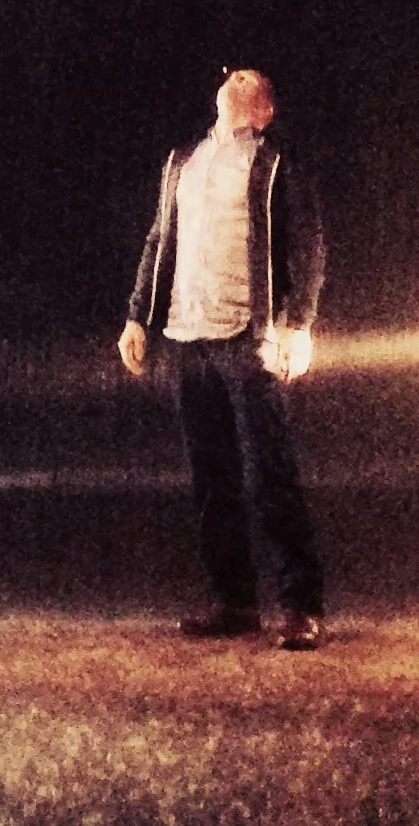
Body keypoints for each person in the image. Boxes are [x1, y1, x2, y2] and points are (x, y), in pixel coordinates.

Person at [118, 66, 327, 648]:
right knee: (212, 478)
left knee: (269, 472)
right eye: (234, 76)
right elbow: (160, 239)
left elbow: (308, 246)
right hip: (187, 335)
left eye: (251, 81)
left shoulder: (276, 163)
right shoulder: (182, 161)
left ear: (266, 112)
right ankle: (234, 601)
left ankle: (301, 605)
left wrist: (298, 325)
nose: (238, 80)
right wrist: (137, 316)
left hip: (248, 337)